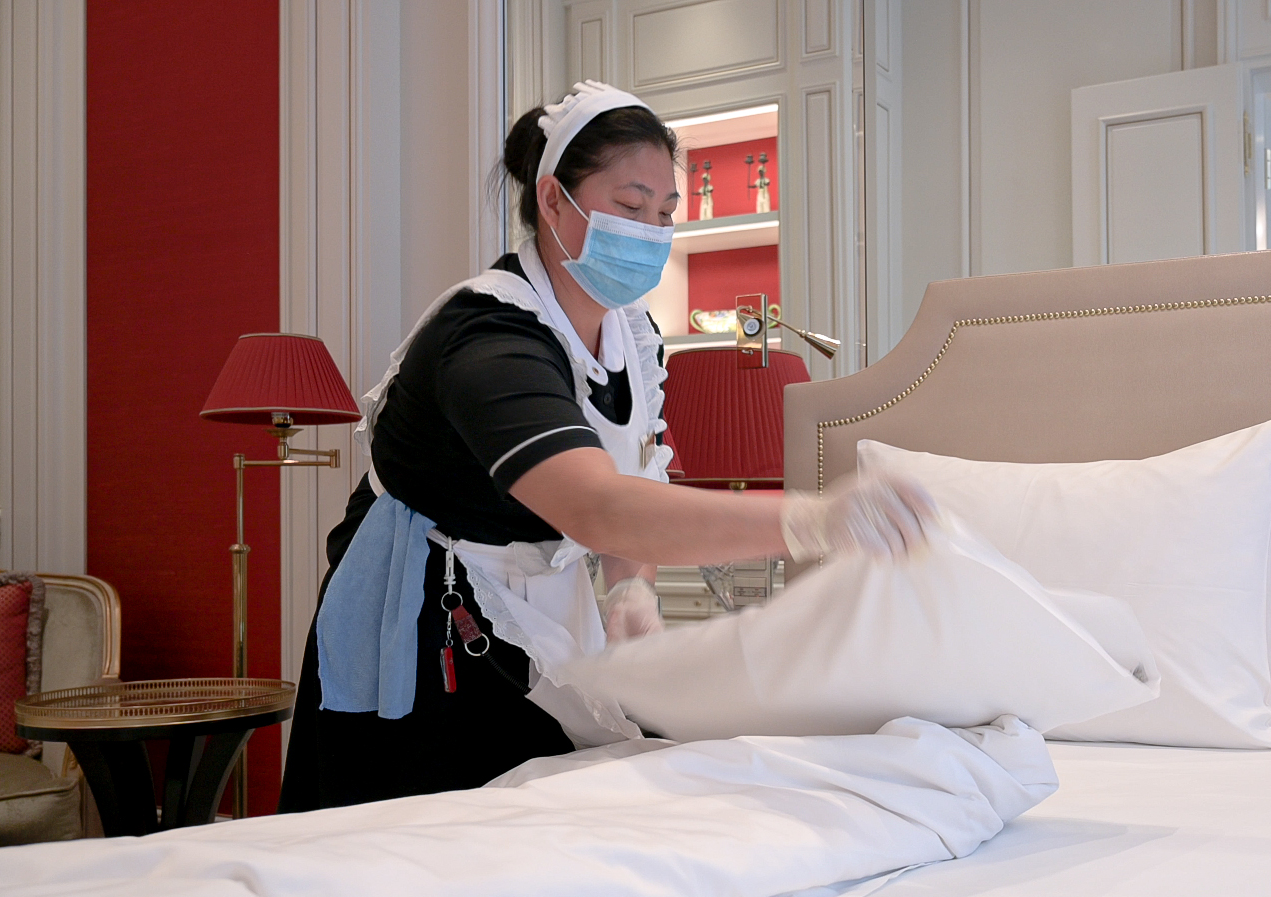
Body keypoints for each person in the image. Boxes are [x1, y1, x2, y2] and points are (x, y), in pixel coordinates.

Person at [279, 81, 935, 812]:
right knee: (442, 835)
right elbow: (596, 505)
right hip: (434, 624)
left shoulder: (632, 334)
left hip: (535, 606)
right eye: (630, 206)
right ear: (553, 201)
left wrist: (631, 586)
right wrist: (808, 519)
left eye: (666, 214)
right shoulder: (490, 338)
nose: (652, 232)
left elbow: (635, 474)